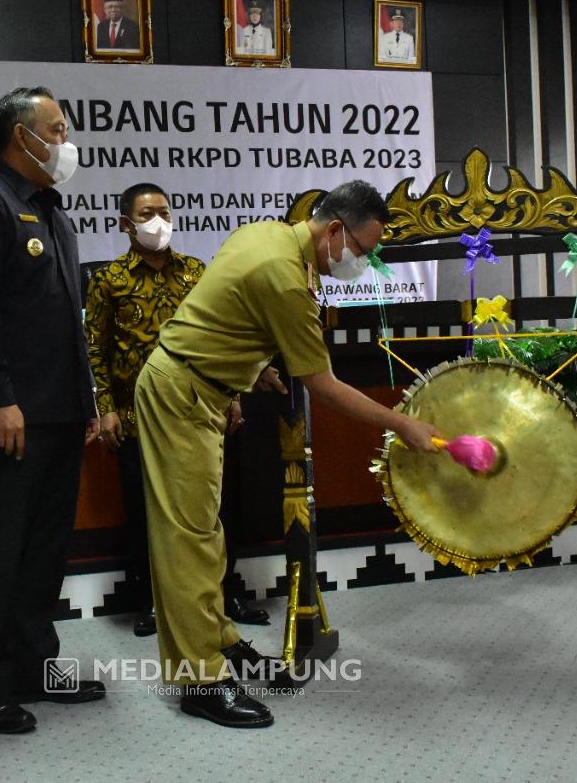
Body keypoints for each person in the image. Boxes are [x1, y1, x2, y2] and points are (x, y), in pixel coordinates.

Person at [134, 180, 440, 728]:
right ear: (335, 231)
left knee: (205, 532)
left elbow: (227, 310)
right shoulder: (286, 277)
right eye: (364, 251)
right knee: (187, 539)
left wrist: (253, 369)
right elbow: (322, 384)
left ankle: (220, 642)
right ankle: (199, 680)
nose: (363, 263)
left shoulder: (269, 236)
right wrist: (402, 424)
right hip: (183, 391)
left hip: (200, 386)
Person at [0, 86, 103, 736]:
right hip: (13, 415)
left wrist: (87, 401)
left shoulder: (54, 212)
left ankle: (38, 668)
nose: (66, 141)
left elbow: (70, 321)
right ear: (22, 137)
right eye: (57, 129)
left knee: (44, 552)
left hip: (61, 413)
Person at [85, 183, 269, 638]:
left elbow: (220, 339)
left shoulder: (195, 272)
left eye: (164, 212)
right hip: (136, 416)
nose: (158, 222)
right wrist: (105, 409)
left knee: (217, 506)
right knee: (149, 511)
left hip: (201, 408)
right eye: (147, 214)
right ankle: (152, 600)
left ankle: (226, 593)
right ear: (125, 224)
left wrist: (234, 395)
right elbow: (95, 350)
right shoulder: (108, 281)